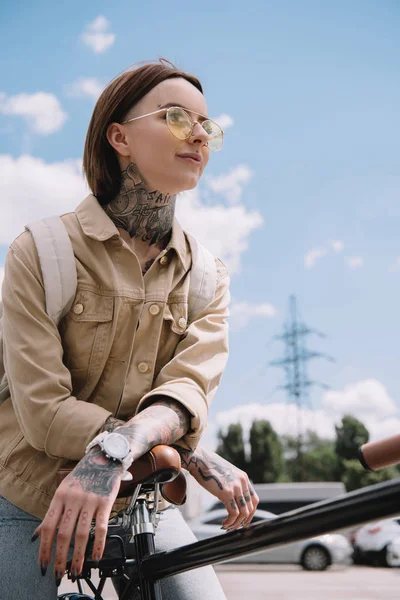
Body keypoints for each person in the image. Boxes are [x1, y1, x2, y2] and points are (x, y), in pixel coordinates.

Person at [0, 59, 259, 599]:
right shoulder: (41, 251)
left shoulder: (208, 277)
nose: (198, 135)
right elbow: (44, 411)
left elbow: (185, 393)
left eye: (207, 125)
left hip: (142, 496)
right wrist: (180, 450)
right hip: (24, 494)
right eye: (174, 116)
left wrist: (117, 452)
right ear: (118, 136)